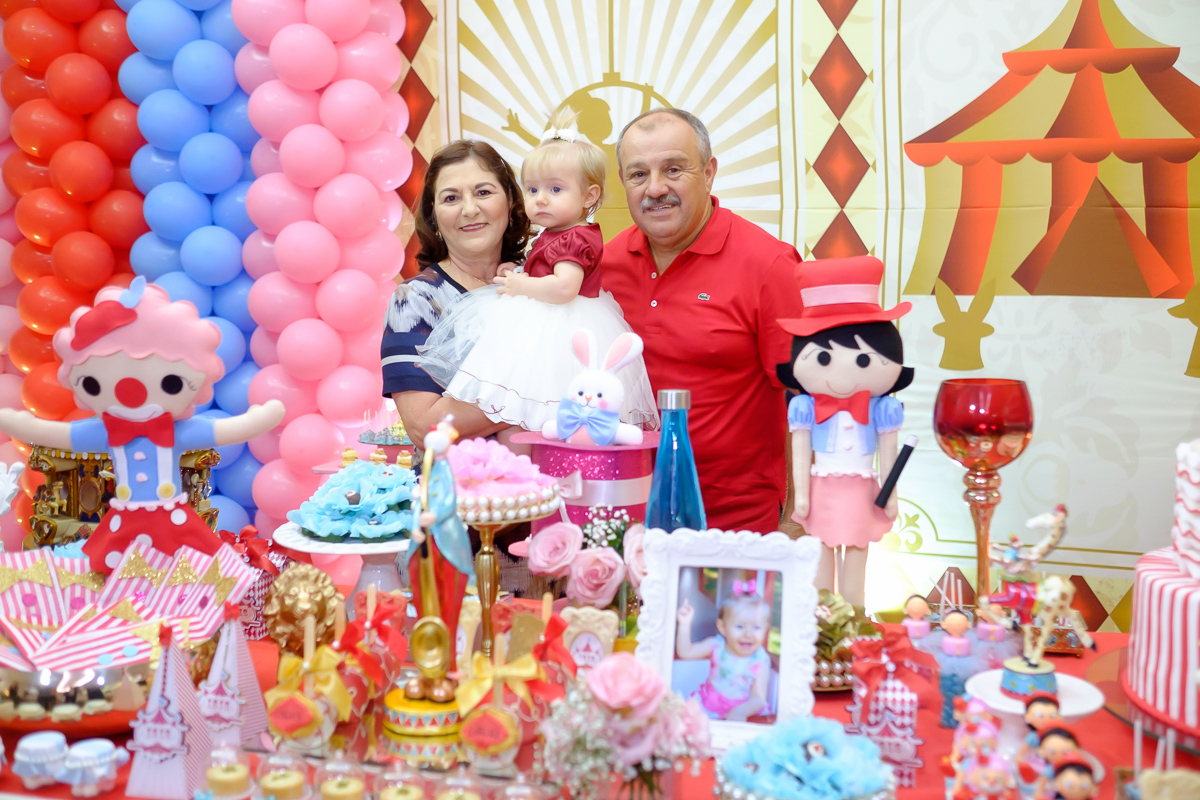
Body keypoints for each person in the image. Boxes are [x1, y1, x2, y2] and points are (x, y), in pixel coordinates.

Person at [602, 108, 803, 535]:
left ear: (708, 173)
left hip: (736, 526)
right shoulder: (604, 264)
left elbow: (808, 400)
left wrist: (798, 516)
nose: (655, 188)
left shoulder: (768, 265)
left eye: (673, 169)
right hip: (621, 517)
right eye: (638, 174)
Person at [0, 278, 284, 572]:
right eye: (94, 384)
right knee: (116, 573)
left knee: (192, 570)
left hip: (172, 519)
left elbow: (225, 430)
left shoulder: (177, 432)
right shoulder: (108, 432)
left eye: (171, 383)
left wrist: (257, 421)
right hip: (126, 520)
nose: (130, 391)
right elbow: (61, 435)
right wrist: (22, 425)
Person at [417, 108, 656, 436]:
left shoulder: (575, 238)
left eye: (555, 190)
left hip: (563, 322)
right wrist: (519, 272)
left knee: (535, 413)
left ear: (589, 195)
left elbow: (564, 287)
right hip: (546, 319)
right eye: (532, 190)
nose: (541, 200)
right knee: (518, 420)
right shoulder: (552, 235)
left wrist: (520, 284)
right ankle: (519, 462)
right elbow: (542, 268)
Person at [777, 256, 914, 606]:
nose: (842, 374)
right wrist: (802, 496)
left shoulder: (883, 409)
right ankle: (823, 617)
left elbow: (889, 453)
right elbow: (800, 450)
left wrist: (891, 495)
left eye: (864, 360)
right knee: (821, 553)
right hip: (822, 489)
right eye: (823, 358)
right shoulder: (805, 407)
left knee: (857, 554)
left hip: (862, 491)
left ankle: (855, 613)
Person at [381, 140, 531, 443]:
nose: (470, 209)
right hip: (460, 473)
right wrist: (537, 389)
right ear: (434, 216)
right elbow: (424, 427)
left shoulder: (541, 280)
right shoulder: (415, 300)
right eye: (451, 198)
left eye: (483, 192)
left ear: (511, 203)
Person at [675, 579, 771, 721]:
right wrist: (684, 624)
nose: (748, 634)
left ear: (765, 629)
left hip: (743, 711)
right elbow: (685, 652)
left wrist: (741, 711)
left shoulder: (761, 660)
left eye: (756, 627)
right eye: (740, 627)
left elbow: (758, 698)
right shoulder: (716, 646)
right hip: (709, 706)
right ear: (723, 627)